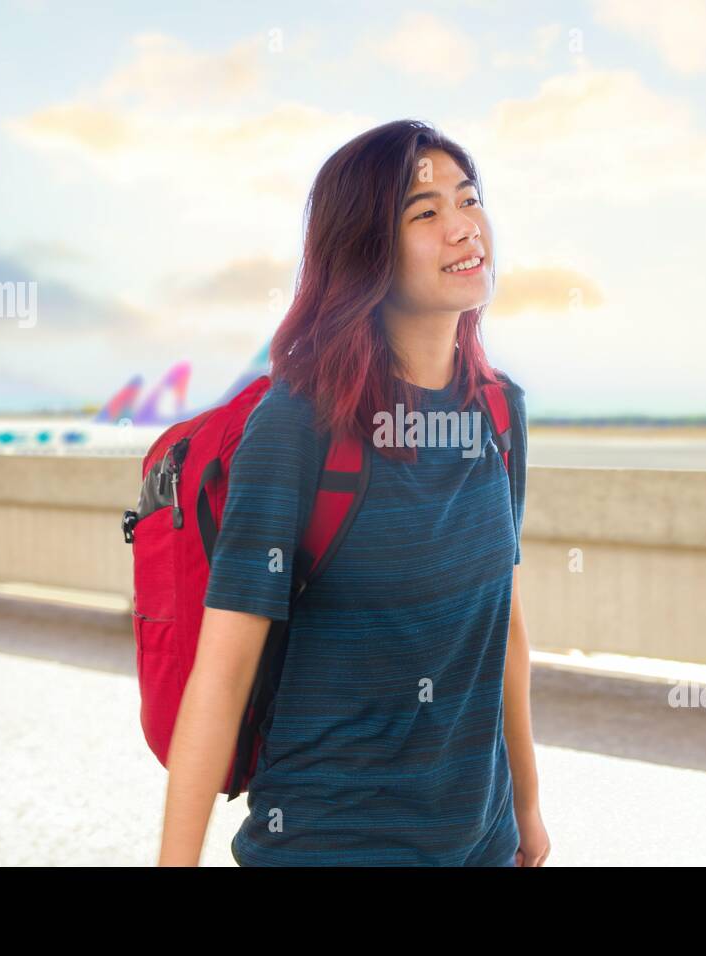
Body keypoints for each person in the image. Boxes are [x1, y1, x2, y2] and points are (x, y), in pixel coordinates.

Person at [157, 119, 550, 867]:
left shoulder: (499, 414)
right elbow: (223, 672)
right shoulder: (299, 422)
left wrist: (526, 809)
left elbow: (506, 635)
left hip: (481, 842)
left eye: (468, 200)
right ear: (366, 251)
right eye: (425, 213)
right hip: (330, 841)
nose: (464, 228)